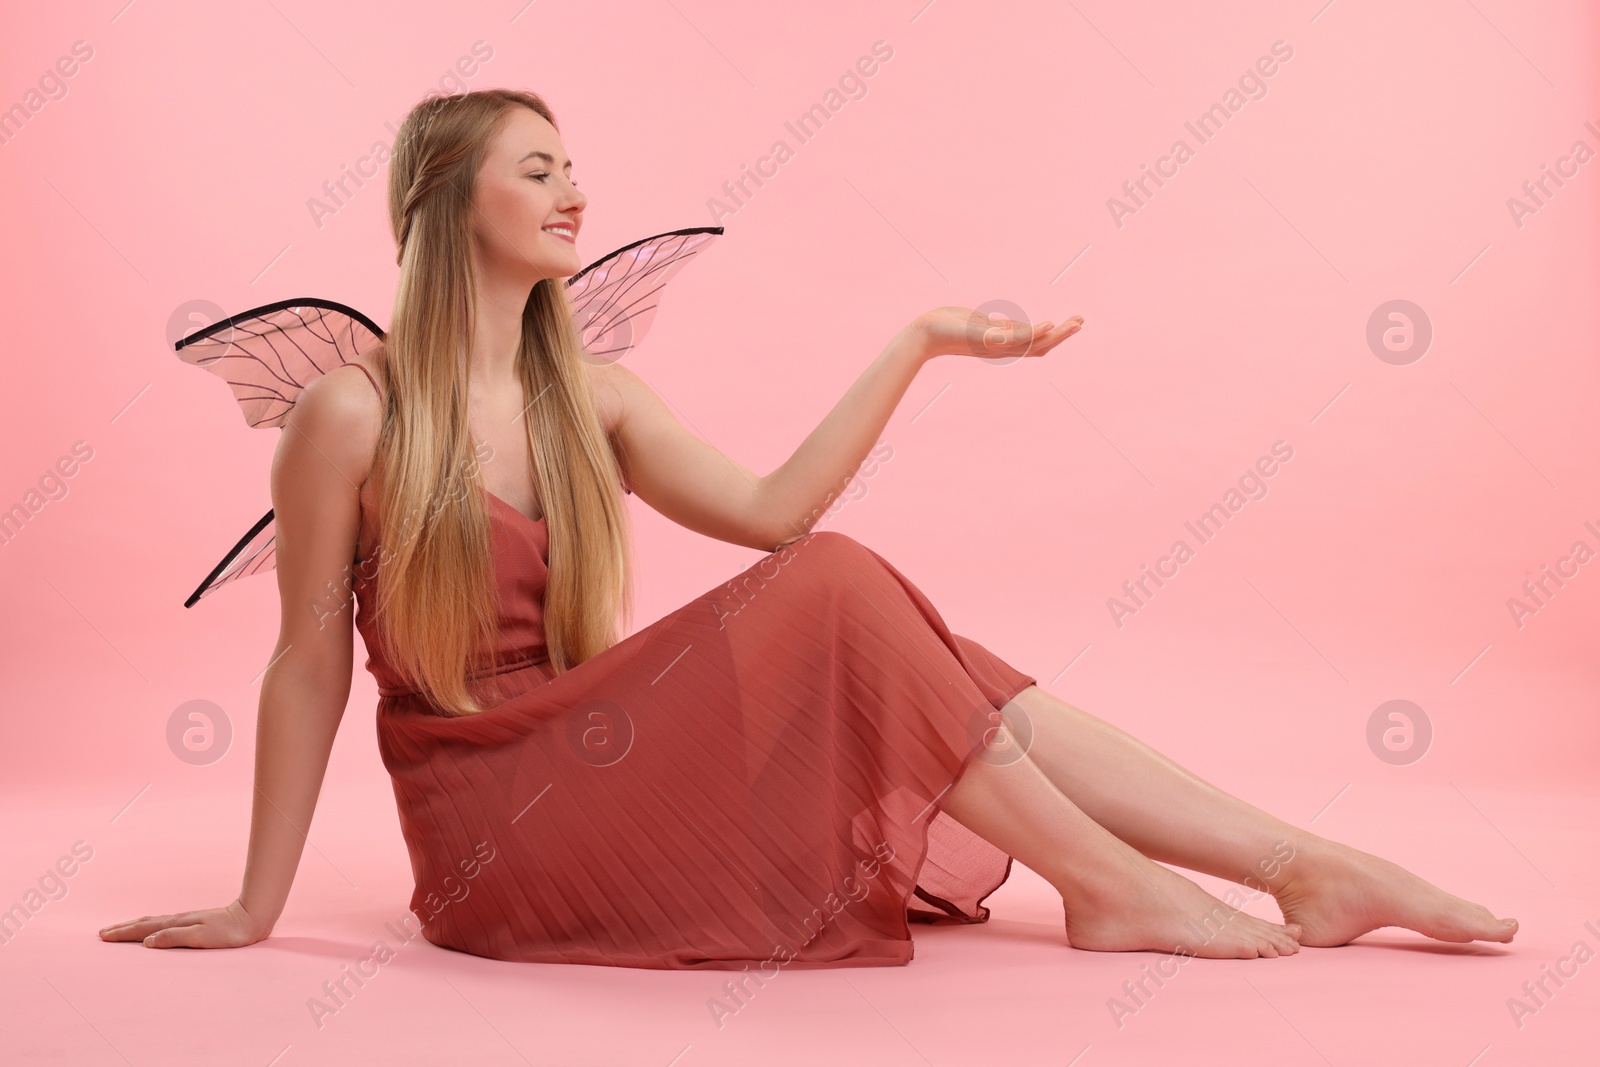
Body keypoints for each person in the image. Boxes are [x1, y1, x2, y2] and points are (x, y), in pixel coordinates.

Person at [99, 88, 1517, 967]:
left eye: (572, 164)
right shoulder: (350, 417)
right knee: (839, 592)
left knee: (918, 637)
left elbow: (776, 511)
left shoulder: (593, 396)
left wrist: (919, 342)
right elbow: (304, 667)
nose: (574, 189)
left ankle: (1298, 867)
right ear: (441, 200)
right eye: (535, 168)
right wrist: (251, 906)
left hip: (601, 753)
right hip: (498, 833)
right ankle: (1114, 886)